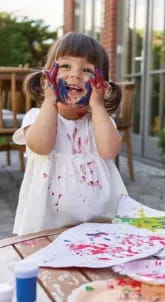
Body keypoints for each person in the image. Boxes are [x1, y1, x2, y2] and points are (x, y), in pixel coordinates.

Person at [12, 32, 127, 235]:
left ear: (103, 86)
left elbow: (110, 150)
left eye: (87, 70)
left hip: (99, 224)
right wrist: (49, 101)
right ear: (47, 78)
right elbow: (42, 146)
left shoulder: (100, 122)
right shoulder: (36, 117)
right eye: (65, 66)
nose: (75, 75)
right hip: (47, 224)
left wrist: (98, 106)